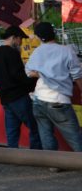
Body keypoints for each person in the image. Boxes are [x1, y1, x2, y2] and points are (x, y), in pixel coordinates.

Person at [26, 21, 82, 153]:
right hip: (59, 100)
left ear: (39, 37)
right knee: (75, 136)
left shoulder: (37, 52)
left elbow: (28, 72)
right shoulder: (66, 51)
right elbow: (77, 75)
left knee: (46, 135)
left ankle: (53, 164)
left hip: (39, 99)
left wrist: (41, 74)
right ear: (54, 35)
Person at [0, 25, 41, 149]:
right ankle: (37, 155)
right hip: (18, 98)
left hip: (5, 98)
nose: (21, 43)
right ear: (13, 38)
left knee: (12, 131)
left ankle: (12, 157)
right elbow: (18, 76)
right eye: (20, 39)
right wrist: (34, 80)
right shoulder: (12, 53)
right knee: (35, 127)